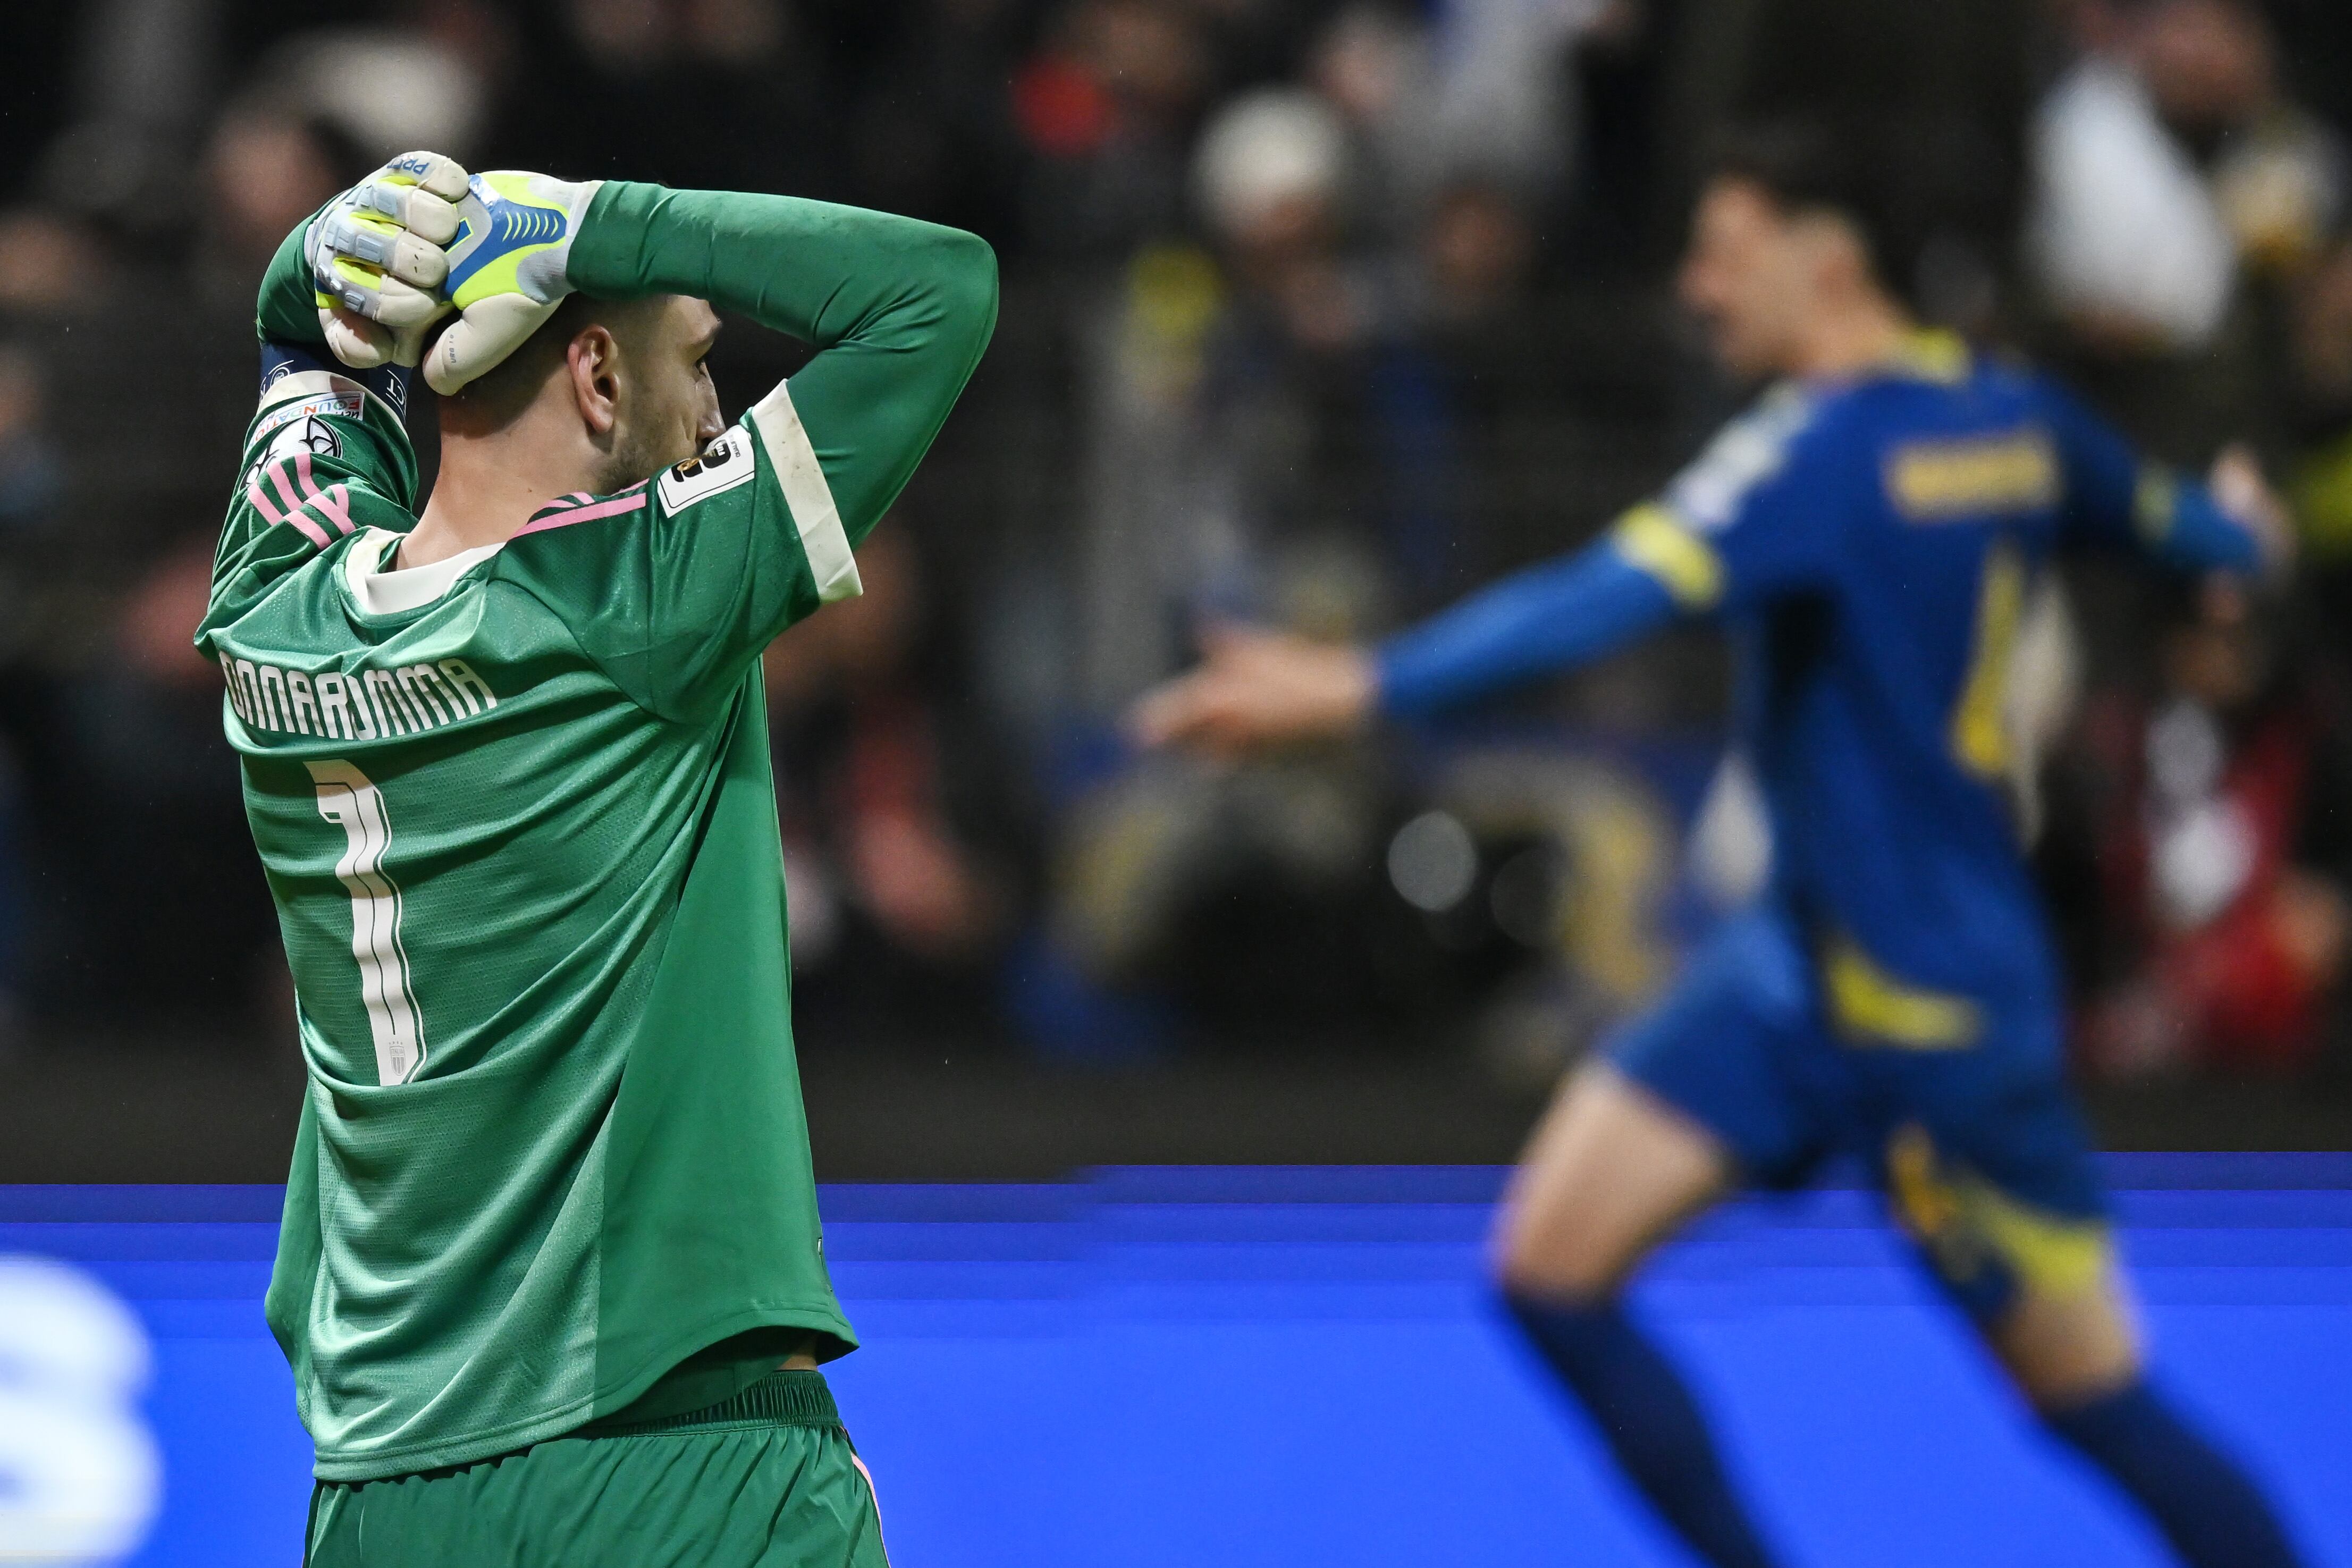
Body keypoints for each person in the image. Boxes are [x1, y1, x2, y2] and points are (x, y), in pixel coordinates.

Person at [1134, 121, 2308, 1568]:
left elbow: (1600, 597)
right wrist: (2245, 539)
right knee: (1546, 1270)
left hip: (1930, 1021)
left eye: (1722, 251)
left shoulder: (1808, 455)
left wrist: (1358, 684)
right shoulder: (2009, 420)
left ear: (1824, 262)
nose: (1695, 289)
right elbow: (2180, 528)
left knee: (2092, 1402)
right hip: (1801, 963)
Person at [197, 152, 994, 1562]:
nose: (718, 417)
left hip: (386, 1492)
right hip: (675, 1455)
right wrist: (595, 219)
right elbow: (937, 291)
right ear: (597, 380)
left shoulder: (276, 598)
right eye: (695, 362)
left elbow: (288, 330)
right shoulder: (639, 596)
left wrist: (344, 233)